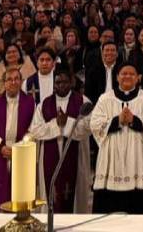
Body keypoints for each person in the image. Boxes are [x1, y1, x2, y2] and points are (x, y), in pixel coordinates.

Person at [90, 63, 143, 214]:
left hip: (137, 159)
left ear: (138, 78)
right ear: (117, 77)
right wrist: (117, 121)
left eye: (131, 74)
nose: (127, 76)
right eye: (123, 73)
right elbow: (95, 124)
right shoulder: (105, 99)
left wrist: (134, 121)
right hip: (111, 160)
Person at [0, 67, 45, 212]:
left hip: (21, 154)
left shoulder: (30, 103)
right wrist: (0, 147)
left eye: (16, 79)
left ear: (21, 81)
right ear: (3, 83)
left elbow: (34, 130)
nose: (13, 82)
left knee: (20, 194)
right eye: (9, 79)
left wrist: (18, 149)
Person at [36, 68, 92, 213]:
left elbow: (89, 127)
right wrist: (56, 124)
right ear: (54, 84)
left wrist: (68, 122)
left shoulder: (83, 101)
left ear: (71, 82)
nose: (61, 85)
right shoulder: (44, 104)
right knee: (52, 194)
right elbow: (36, 129)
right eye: (58, 82)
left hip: (76, 155)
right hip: (50, 155)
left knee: (74, 195)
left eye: (65, 82)